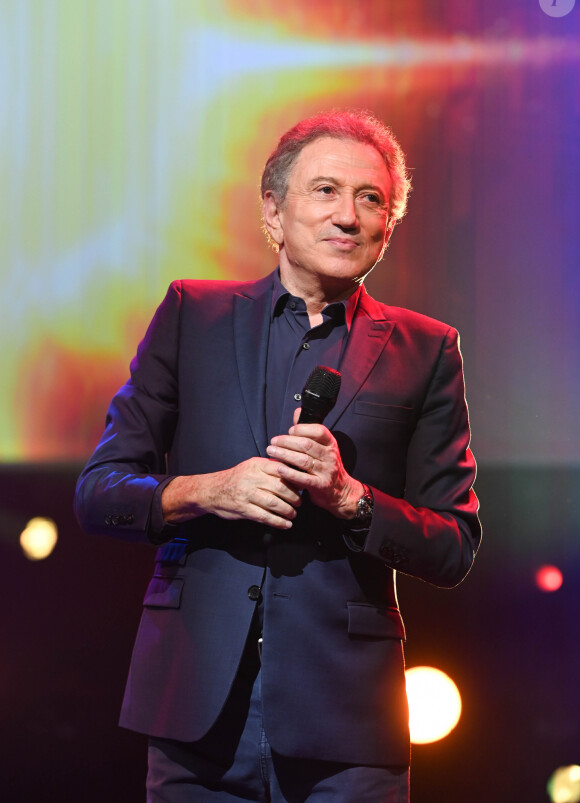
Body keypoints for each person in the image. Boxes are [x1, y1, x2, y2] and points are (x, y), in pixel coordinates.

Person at [74, 110, 481, 802]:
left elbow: (455, 545)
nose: (348, 216)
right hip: (196, 713)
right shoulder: (190, 315)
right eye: (325, 190)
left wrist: (352, 498)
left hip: (347, 728)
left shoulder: (427, 350)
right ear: (273, 212)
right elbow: (100, 491)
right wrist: (208, 490)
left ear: (389, 226)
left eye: (371, 198)